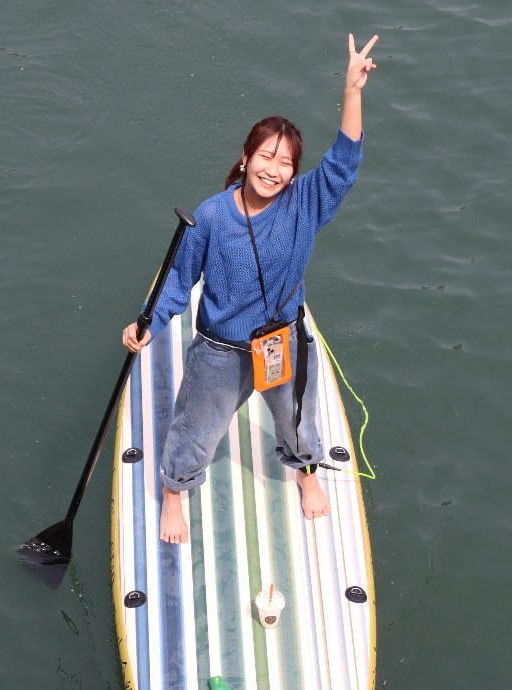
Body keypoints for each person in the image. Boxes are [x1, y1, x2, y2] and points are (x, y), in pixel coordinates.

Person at [123, 34, 378, 544]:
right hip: (220, 348)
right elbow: (179, 276)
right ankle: (174, 491)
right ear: (245, 157)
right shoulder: (214, 214)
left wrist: (352, 90)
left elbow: (345, 163)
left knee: (299, 421)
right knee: (196, 431)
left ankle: (307, 472)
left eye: (286, 162)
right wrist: (147, 319)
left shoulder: (306, 202)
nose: (274, 170)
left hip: (281, 339)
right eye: (266, 156)